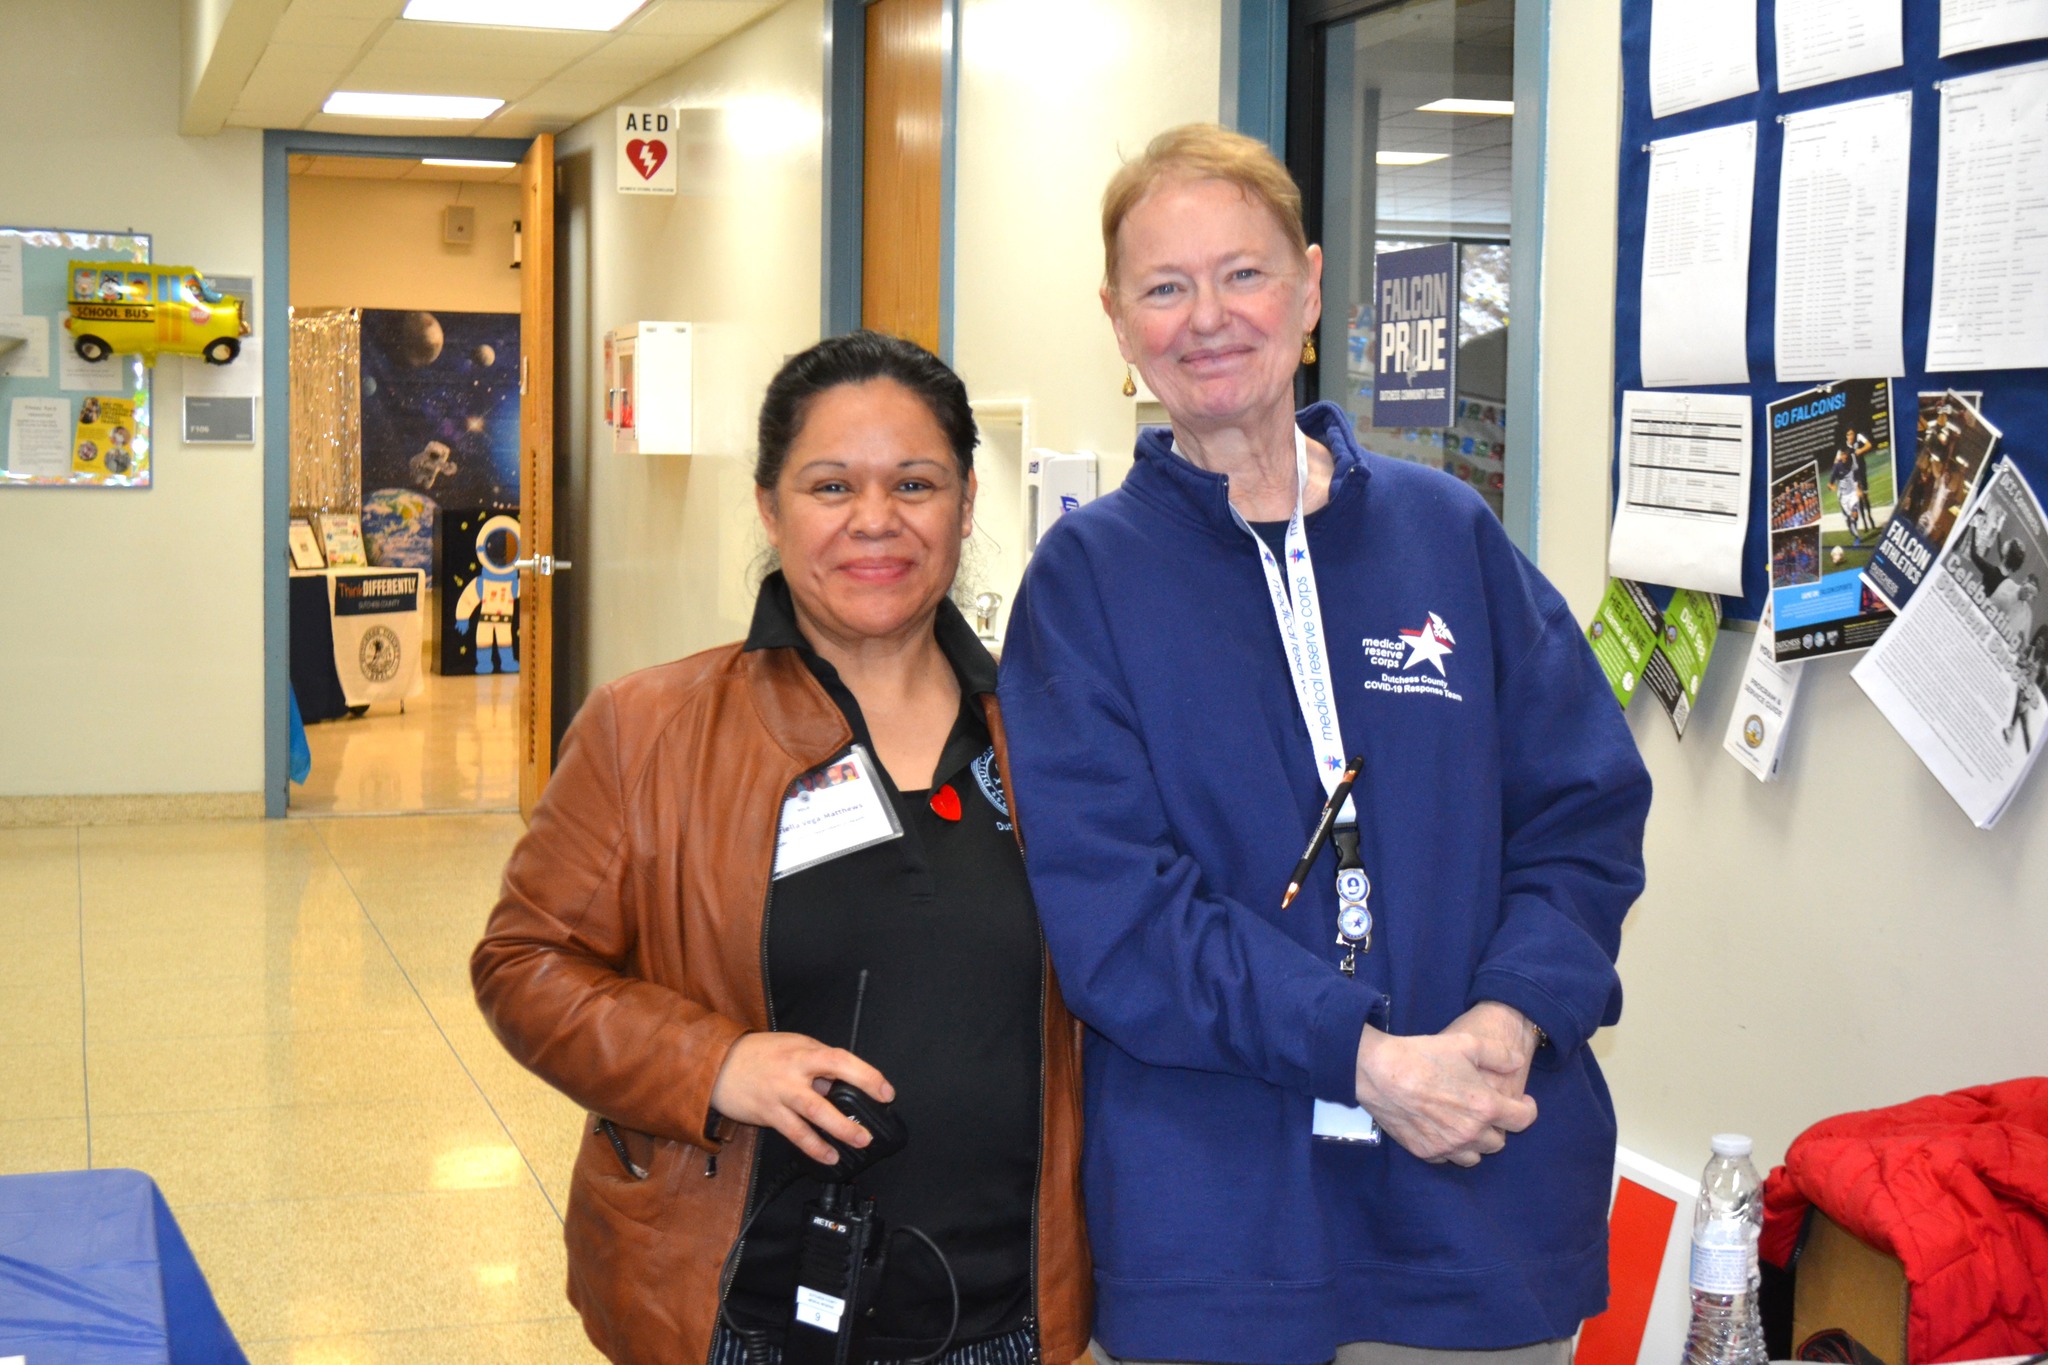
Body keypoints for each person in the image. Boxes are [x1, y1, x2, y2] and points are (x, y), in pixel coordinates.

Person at [996, 124, 1652, 1365]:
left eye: (1241, 274)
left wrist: (1509, 1018)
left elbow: (1581, 810)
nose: (1206, 318)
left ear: (1306, 290)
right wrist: (1360, 1060)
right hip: (1221, 1231)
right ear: (1116, 321)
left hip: (1478, 1193)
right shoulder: (1083, 586)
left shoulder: (1445, 533)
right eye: (1163, 287)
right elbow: (1118, 916)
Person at [473, 331, 1089, 1365]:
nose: (875, 519)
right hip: (743, 1311)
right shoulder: (649, 729)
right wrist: (712, 1063)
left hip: (1010, 1314)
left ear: (966, 504)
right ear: (769, 507)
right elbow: (522, 964)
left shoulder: (1052, 736)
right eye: (830, 485)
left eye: (915, 483)